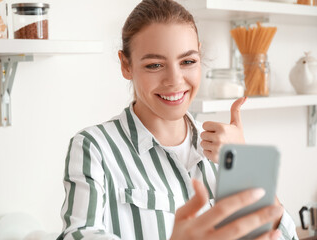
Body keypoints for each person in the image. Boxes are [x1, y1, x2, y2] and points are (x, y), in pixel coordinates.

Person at [57, 0, 298, 239]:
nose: (175, 80)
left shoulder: (226, 148)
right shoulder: (95, 147)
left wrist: (246, 165)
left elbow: (284, 235)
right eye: (155, 65)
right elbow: (79, 234)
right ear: (126, 65)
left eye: (188, 62)